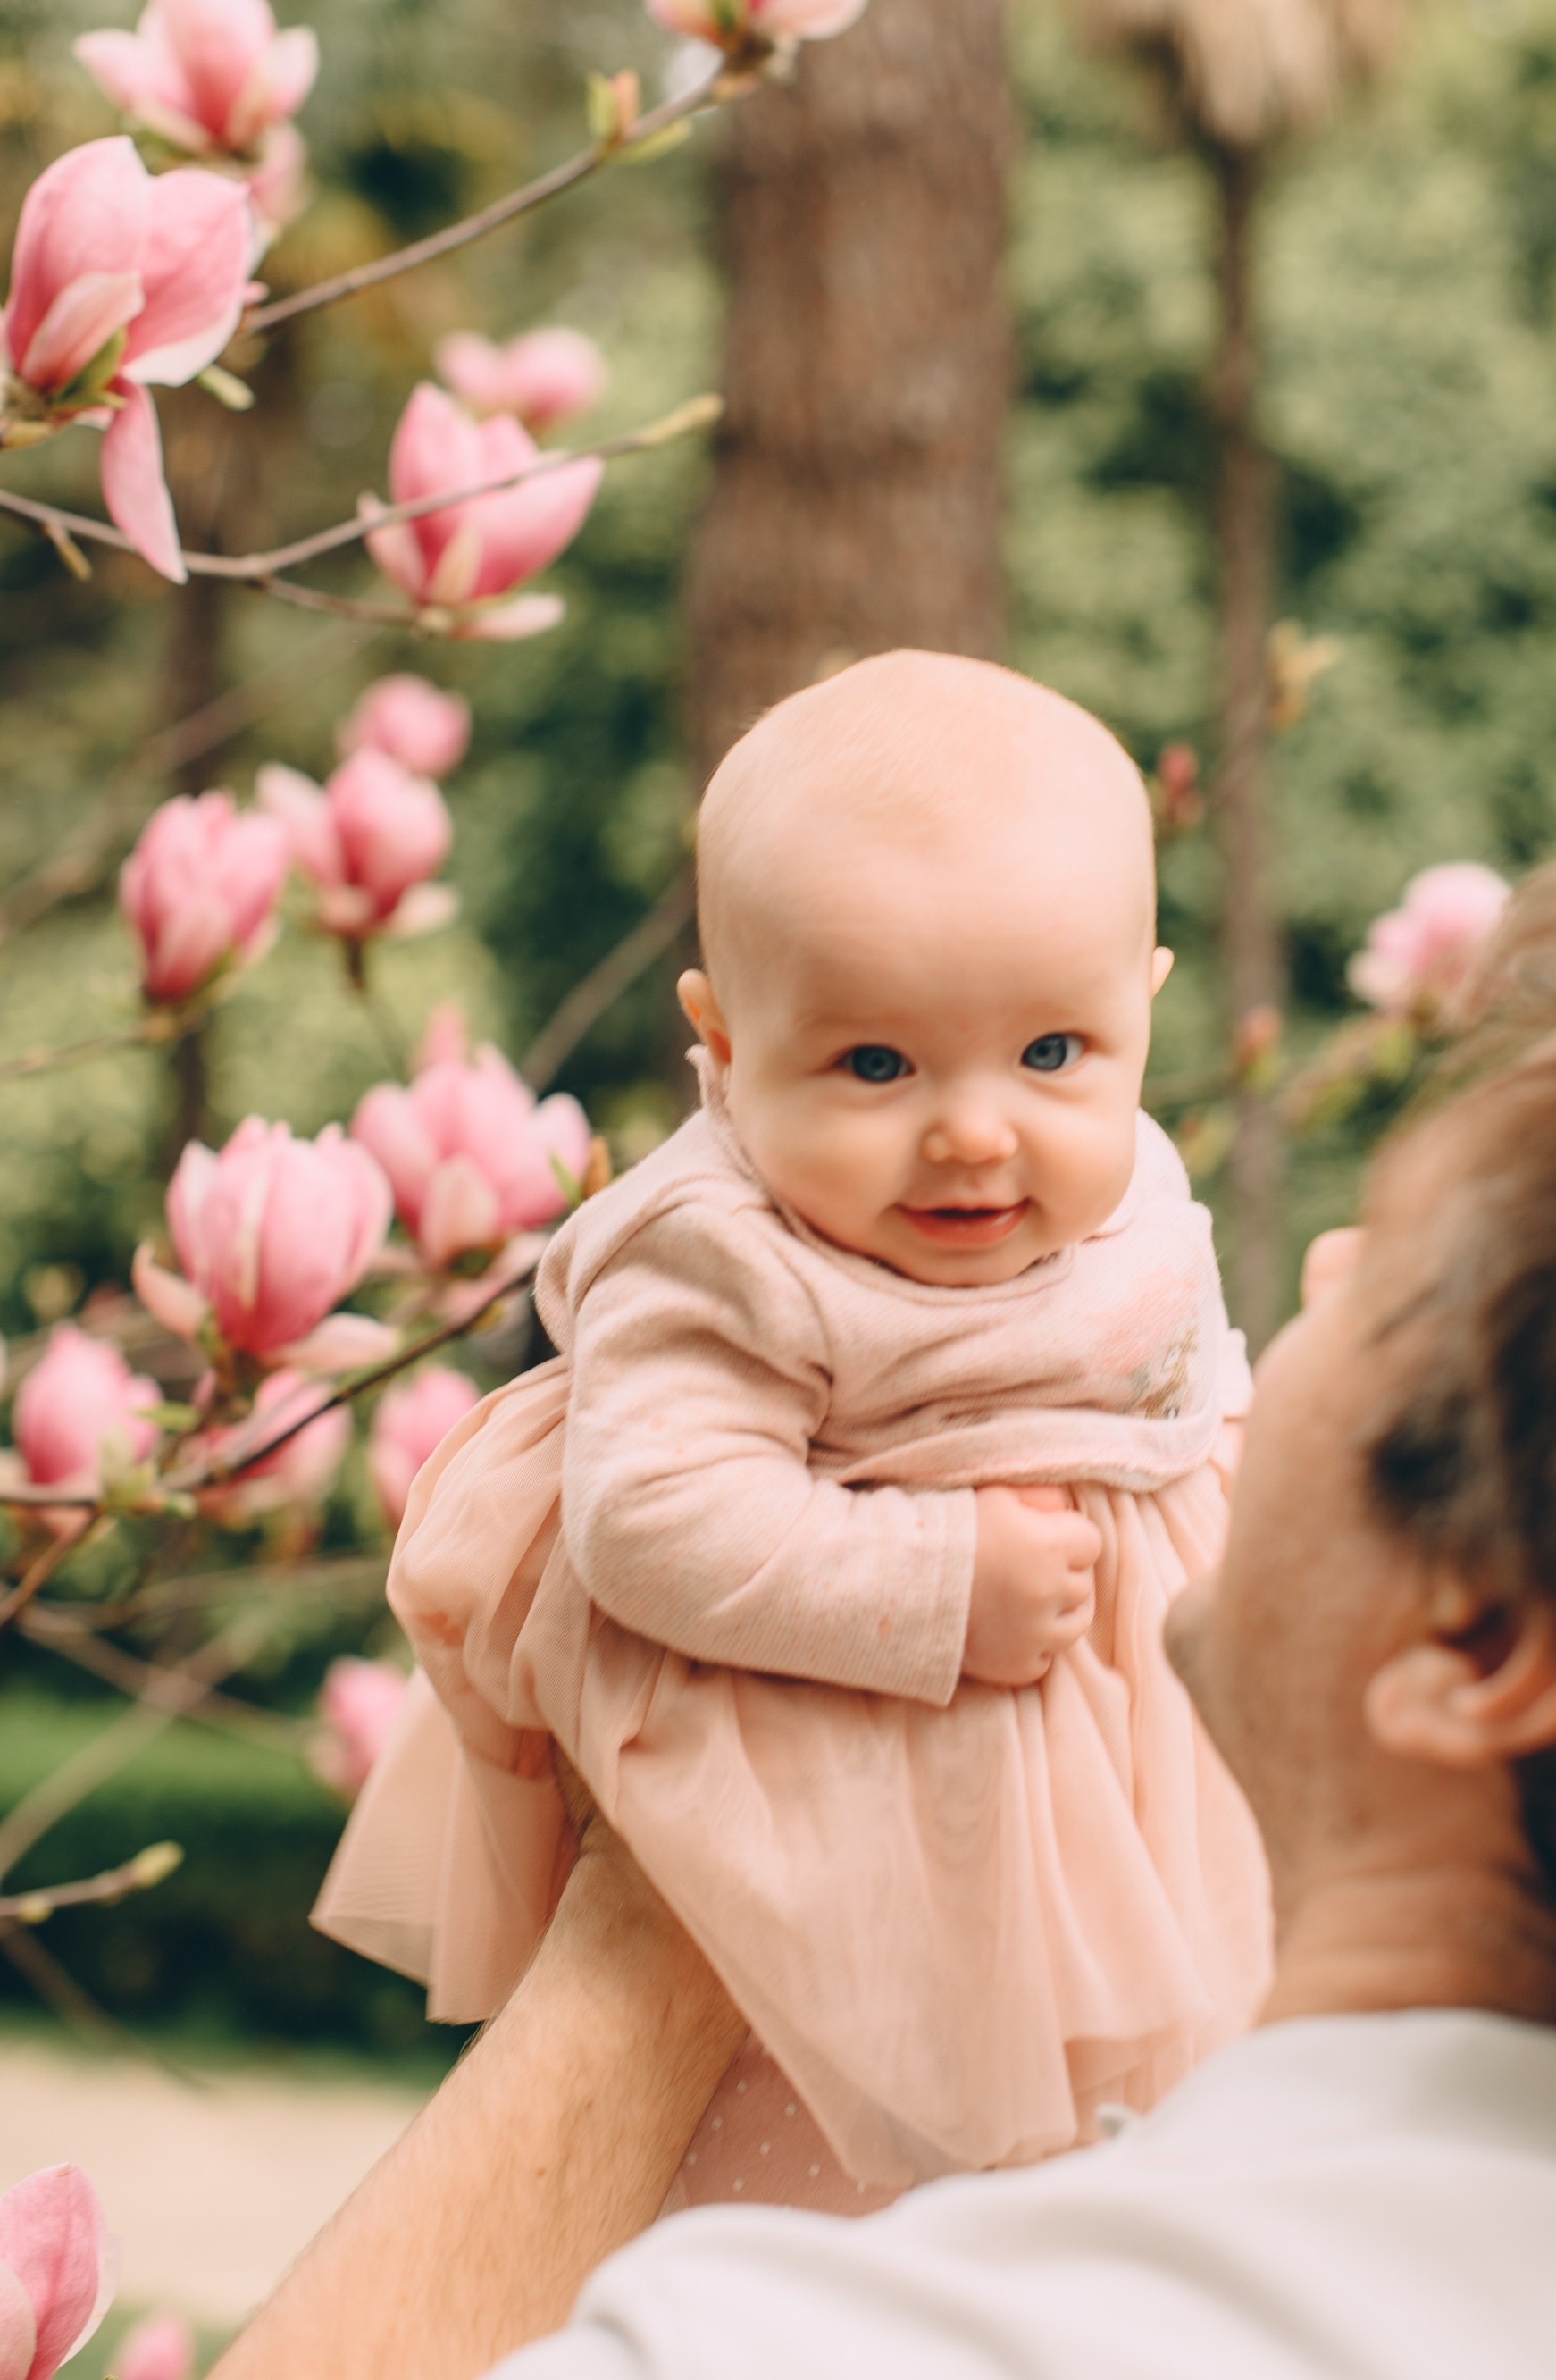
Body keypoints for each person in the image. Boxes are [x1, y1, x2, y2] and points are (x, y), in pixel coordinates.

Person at [215, 857, 1556, 2380]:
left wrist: (671, 1898)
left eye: (1394, 1289)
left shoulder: (841, 2346)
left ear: (1477, 1644)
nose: (1324, 1260)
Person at [314, 649, 1270, 2211]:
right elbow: (655, 1523)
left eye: (1051, 1055)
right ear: (730, 1037)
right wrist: (938, 1578)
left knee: (1137, 2163)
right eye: (876, 1065)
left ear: (1140, 1007)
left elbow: (1176, 1378)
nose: (975, 1129)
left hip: (1128, 1777)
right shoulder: (723, 1252)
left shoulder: (1126, 1178)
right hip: (860, 1787)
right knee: (832, 2169)